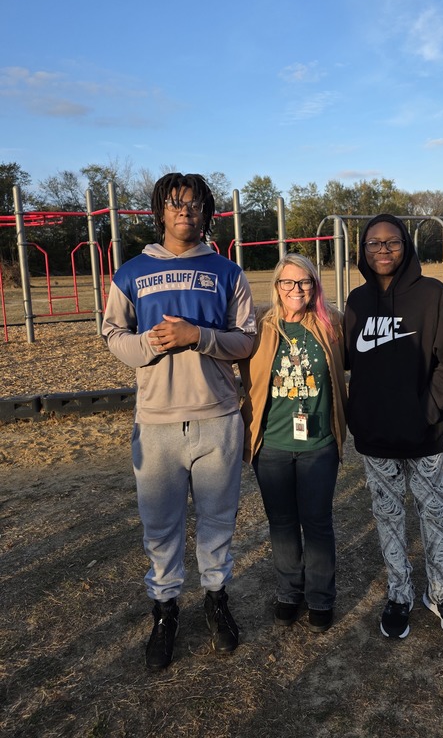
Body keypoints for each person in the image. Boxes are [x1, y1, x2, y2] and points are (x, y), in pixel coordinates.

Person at [102, 172, 256, 670]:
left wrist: (198, 336)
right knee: (161, 526)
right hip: (158, 423)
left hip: (217, 418)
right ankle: (165, 611)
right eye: (174, 205)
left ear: (206, 213)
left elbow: (246, 341)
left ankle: (216, 600)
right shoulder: (130, 273)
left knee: (217, 521)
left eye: (193, 205)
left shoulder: (228, 272)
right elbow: (111, 334)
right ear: (159, 211)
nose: (184, 213)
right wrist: (149, 343)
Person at [343, 214, 443, 640]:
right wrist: (357, 414)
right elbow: (347, 362)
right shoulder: (357, 301)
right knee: (387, 515)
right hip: (376, 437)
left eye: (391, 242)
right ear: (362, 250)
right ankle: (399, 595)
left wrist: (427, 413)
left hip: (425, 435)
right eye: (373, 243)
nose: (383, 250)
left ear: (406, 246)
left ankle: (442, 593)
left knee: (434, 513)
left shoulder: (431, 294)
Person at [240, 254, 347, 633]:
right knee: (282, 523)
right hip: (272, 445)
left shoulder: (331, 323)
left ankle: (320, 597)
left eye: (304, 282)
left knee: (317, 522)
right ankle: (289, 591)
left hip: (319, 443)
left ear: (315, 285)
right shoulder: (259, 327)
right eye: (288, 282)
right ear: (277, 286)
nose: (296, 289)